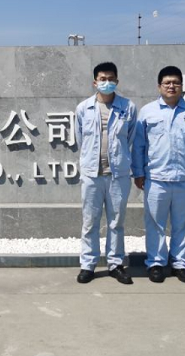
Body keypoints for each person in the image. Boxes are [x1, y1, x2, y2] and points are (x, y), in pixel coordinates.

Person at [133, 66, 185, 284]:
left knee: (184, 224)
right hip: (156, 179)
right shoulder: (148, 112)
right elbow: (139, 145)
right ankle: (156, 263)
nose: (171, 86)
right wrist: (138, 172)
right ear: (159, 86)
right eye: (167, 82)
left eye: (176, 82)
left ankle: (180, 264)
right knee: (155, 224)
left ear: (182, 86)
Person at [75, 62, 138, 284]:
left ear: (117, 81)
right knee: (90, 221)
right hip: (92, 175)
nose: (107, 82)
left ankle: (115, 264)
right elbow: (80, 138)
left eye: (111, 79)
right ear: (95, 82)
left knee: (116, 222)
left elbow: (130, 138)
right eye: (102, 79)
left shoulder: (127, 107)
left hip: (117, 175)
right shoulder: (84, 108)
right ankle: (88, 265)